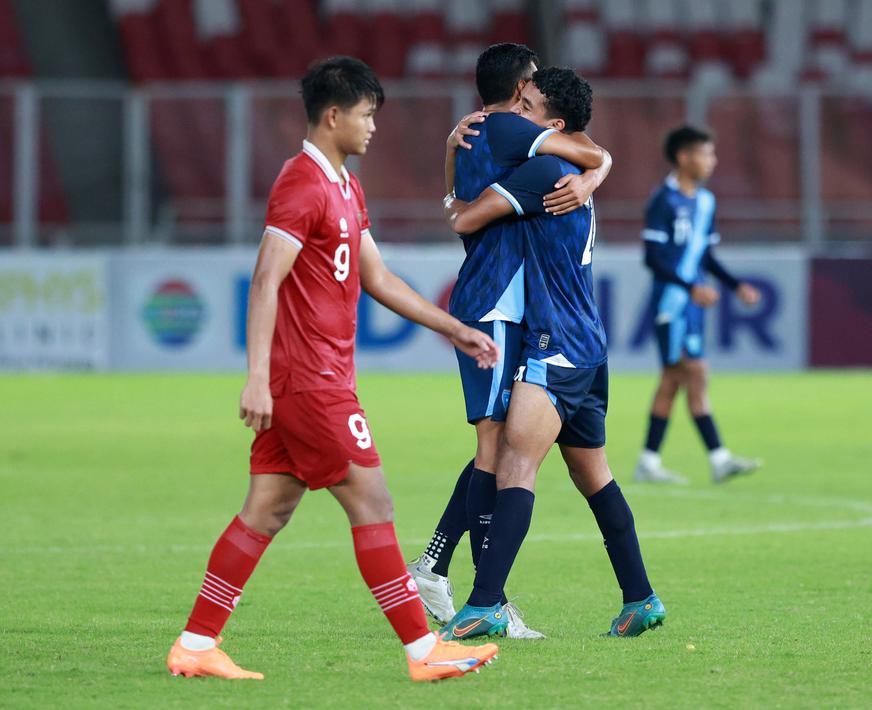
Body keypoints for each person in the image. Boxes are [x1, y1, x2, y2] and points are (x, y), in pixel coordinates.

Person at [164, 57, 499, 682]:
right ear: (335, 114)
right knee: (373, 499)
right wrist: (258, 377)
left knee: (267, 509)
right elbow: (266, 279)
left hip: (319, 378)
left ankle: (196, 643)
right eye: (368, 114)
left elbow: (376, 278)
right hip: (308, 382)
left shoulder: (344, 185)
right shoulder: (301, 183)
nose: (373, 126)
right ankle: (424, 651)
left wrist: (451, 326)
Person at [440, 67, 665, 639]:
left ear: (552, 125)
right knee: (593, 473)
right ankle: (641, 598)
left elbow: (465, 218)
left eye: (529, 104)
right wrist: (596, 171)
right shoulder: (570, 165)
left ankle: (486, 600)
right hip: (587, 342)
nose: (517, 110)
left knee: (513, 460)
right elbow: (593, 153)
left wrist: (459, 189)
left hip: (554, 342)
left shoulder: (540, 169)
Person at [408, 43, 611, 637]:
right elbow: (588, 148)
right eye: (531, 85)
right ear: (520, 87)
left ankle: (445, 570)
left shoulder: (474, 134)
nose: (534, 92)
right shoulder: (504, 126)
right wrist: (597, 173)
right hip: (498, 302)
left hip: (506, 301)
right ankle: (472, 590)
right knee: (495, 452)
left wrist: (448, 161)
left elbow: (456, 206)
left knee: (495, 451)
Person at [633, 125, 763, 485]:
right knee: (695, 372)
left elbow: (705, 255)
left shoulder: (705, 202)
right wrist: (690, 287)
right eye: (706, 153)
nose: (713, 160)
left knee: (674, 380)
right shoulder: (663, 201)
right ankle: (718, 458)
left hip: (690, 302)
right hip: (672, 303)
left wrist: (736, 286)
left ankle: (649, 461)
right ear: (684, 157)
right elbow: (653, 258)